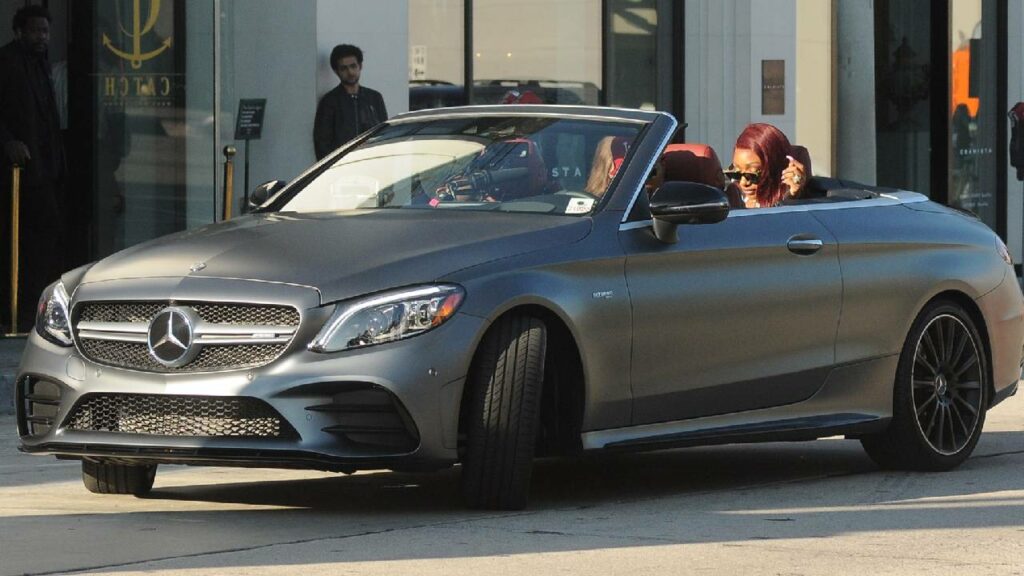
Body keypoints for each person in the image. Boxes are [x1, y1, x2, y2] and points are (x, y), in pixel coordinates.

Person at [0, 5, 66, 332]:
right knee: (25, 236)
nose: (42, 37)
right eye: (36, 31)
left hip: (45, 169)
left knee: (44, 234)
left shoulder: (43, 65)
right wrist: (8, 142)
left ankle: (31, 307)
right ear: (19, 32)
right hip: (17, 172)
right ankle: (18, 311)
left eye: (46, 31)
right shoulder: (7, 62)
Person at [313, 44, 388, 160]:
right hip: (342, 166)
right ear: (336, 71)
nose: (350, 72)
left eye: (353, 66)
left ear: (360, 66)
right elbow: (322, 143)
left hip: (371, 162)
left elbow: (384, 133)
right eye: (344, 68)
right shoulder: (330, 102)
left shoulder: (374, 98)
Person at [726, 123, 807, 208]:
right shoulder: (730, 200)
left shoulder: (794, 203)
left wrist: (791, 197)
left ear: (780, 169)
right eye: (736, 174)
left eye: (752, 174)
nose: (743, 182)